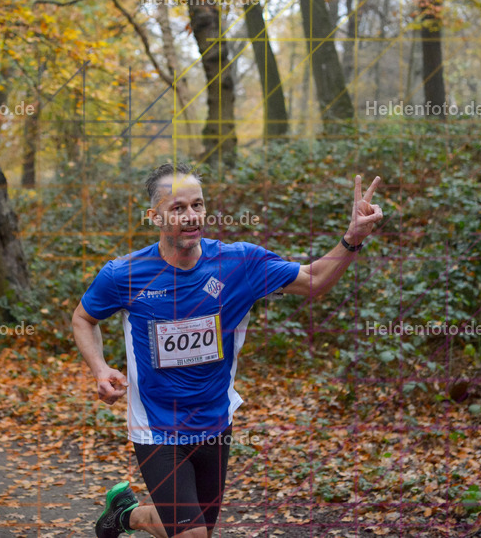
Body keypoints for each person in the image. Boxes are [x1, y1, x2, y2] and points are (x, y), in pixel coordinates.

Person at [72, 162, 383, 538]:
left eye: (198, 205)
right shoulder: (125, 274)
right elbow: (83, 318)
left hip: (215, 424)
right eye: (178, 208)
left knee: (197, 529)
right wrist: (101, 369)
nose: (192, 216)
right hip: (156, 427)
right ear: (154, 217)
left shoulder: (239, 264)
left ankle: (126, 515)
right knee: (192, 535)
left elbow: (314, 279)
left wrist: (351, 239)